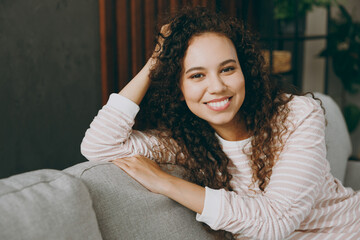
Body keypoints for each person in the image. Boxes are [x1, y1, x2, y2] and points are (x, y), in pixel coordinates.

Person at [81, 7, 360, 240]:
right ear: (178, 87)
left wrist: (165, 183)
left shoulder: (298, 115)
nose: (217, 87)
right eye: (196, 75)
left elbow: (277, 220)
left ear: (245, 71)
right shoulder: (184, 142)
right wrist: (156, 61)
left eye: (227, 69)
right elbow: (99, 145)